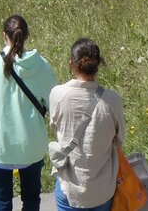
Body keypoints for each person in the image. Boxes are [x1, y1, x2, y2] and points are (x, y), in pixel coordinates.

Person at [0, 14, 57, 211]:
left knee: (2, 203)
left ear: (4, 35)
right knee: (32, 200)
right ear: (26, 36)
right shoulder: (40, 64)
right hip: (31, 145)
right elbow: (54, 103)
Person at [48, 38, 126, 211]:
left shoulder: (58, 94)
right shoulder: (112, 99)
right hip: (103, 188)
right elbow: (119, 140)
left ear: (71, 63)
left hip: (69, 187)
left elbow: (54, 125)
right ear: (98, 65)